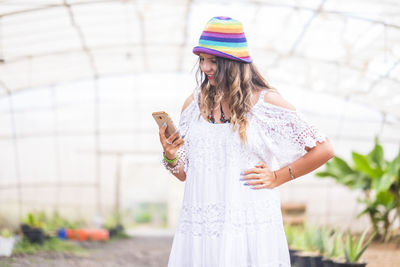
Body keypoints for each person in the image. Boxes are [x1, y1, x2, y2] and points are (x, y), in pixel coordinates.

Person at [158, 16, 334, 267]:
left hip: (249, 223)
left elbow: (324, 149)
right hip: (201, 225)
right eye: (202, 60)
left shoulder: (265, 103)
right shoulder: (193, 105)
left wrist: (278, 177)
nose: (205, 67)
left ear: (234, 63)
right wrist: (171, 154)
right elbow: (185, 173)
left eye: (214, 61)